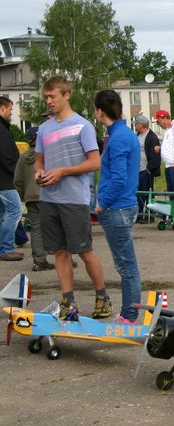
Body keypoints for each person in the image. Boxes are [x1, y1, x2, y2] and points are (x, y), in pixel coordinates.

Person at [35, 75, 112, 320]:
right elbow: (39, 160)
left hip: (74, 200)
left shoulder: (83, 126)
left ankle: (102, 297)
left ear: (66, 95)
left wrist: (63, 172)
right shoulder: (44, 129)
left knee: (84, 251)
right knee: (59, 252)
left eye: (52, 96)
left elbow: (94, 162)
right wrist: (39, 172)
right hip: (49, 199)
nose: (48, 101)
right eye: (46, 97)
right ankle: (68, 301)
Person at [94, 90, 142, 323]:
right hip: (122, 207)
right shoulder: (120, 134)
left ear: (100, 111)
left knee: (126, 267)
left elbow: (119, 178)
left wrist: (102, 204)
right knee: (125, 265)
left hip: (117, 208)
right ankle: (129, 313)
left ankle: (129, 315)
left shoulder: (120, 137)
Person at [14, 127, 54, 270]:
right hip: (47, 195)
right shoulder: (46, 156)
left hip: (30, 197)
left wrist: (24, 193)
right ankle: (63, 255)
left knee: (36, 228)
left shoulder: (22, 158)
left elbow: (17, 180)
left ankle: (39, 259)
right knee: (53, 226)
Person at [0, 96, 23, 262]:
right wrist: (18, 174)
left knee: (4, 213)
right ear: (2, 109)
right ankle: (6, 248)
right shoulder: (1, 130)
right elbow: (6, 156)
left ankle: (4, 247)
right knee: (15, 210)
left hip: (4, 179)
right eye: (10, 109)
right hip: (5, 180)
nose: (11, 113)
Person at [133, 114, 161, 223]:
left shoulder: (152, 137)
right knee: (138, 193)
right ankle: (140, 215)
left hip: (146, 170)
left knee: (147, 193)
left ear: (141, 125)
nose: (135, 126)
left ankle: (149, 215)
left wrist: (150, 168)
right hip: (137, 169)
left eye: (136, 124)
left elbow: (155, 155)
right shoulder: (137, 136)